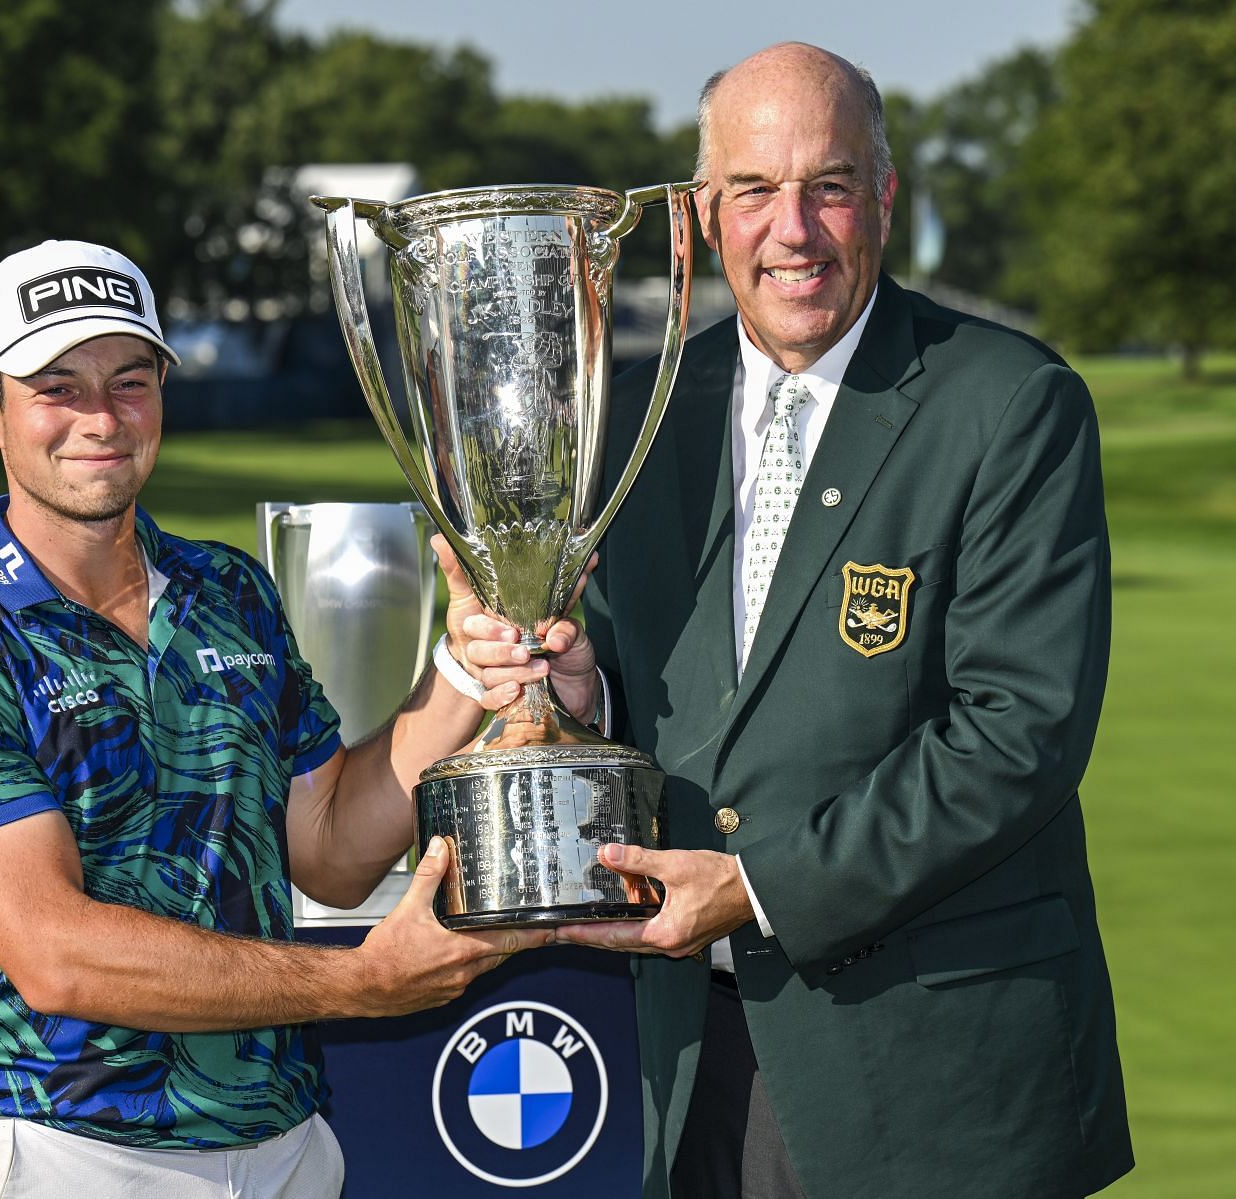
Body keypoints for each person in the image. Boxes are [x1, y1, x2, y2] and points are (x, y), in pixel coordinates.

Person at [458, 42, 1133, 1198]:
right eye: (755, 191)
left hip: (934, 1075)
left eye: (828, 185)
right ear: (702, 215)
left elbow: (1018, 734)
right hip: (694, 1060)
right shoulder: (642, 409)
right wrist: (576, 695)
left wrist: (759, 883)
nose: (794, 230)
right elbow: (644, 680)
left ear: (883, 198)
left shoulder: (1011, 405)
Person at [0, 239, 546, 1199]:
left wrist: (461, 675)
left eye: (129, 380)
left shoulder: (231, 591)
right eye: (57, 387)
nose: (100, 418)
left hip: (286, 1151)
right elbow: (56, 953)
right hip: (66, 1155)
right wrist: (356, 984)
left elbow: (335, 849)